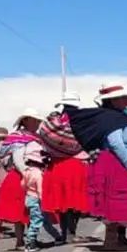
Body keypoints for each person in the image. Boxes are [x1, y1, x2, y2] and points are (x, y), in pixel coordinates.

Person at [74, 82, 127, 251]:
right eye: (125, 98)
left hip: (124, 161)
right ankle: (111, 241)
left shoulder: (123, 117)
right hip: (116, 163)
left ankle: (124, 238)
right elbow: (116, 143)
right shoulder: (111, 119)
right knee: (117, 199)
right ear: (114, 101)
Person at [38, 93, 90, 243]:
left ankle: (64, 233)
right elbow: (84, 140)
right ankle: (72, 233)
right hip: (74, 164)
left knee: (62, 201)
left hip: (56, 165)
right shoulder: (79, 122)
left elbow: (44, 140)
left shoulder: (51, 123)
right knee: (75, 200)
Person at [0, 108, 45, 250]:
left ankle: (31, 238)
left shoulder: (36, 138)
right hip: (20, 176)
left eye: (38, 120)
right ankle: (20, 241)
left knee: (33, 208)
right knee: (20, 209)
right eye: (34, 120)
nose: (37, 123)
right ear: (26, 120)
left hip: (33, 174)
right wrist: (25, 172)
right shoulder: (18, 137)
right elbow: (17, 158)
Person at [21, 143, 61, 252]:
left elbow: (23, 185)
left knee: (44, 220)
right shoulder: (38, 174)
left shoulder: (27, 171)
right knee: (36, 221)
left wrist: (28, 191)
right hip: (37, 199)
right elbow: (40, 190)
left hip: (29, 197)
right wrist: (44, 200)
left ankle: (57, 236)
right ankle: (30, 243)